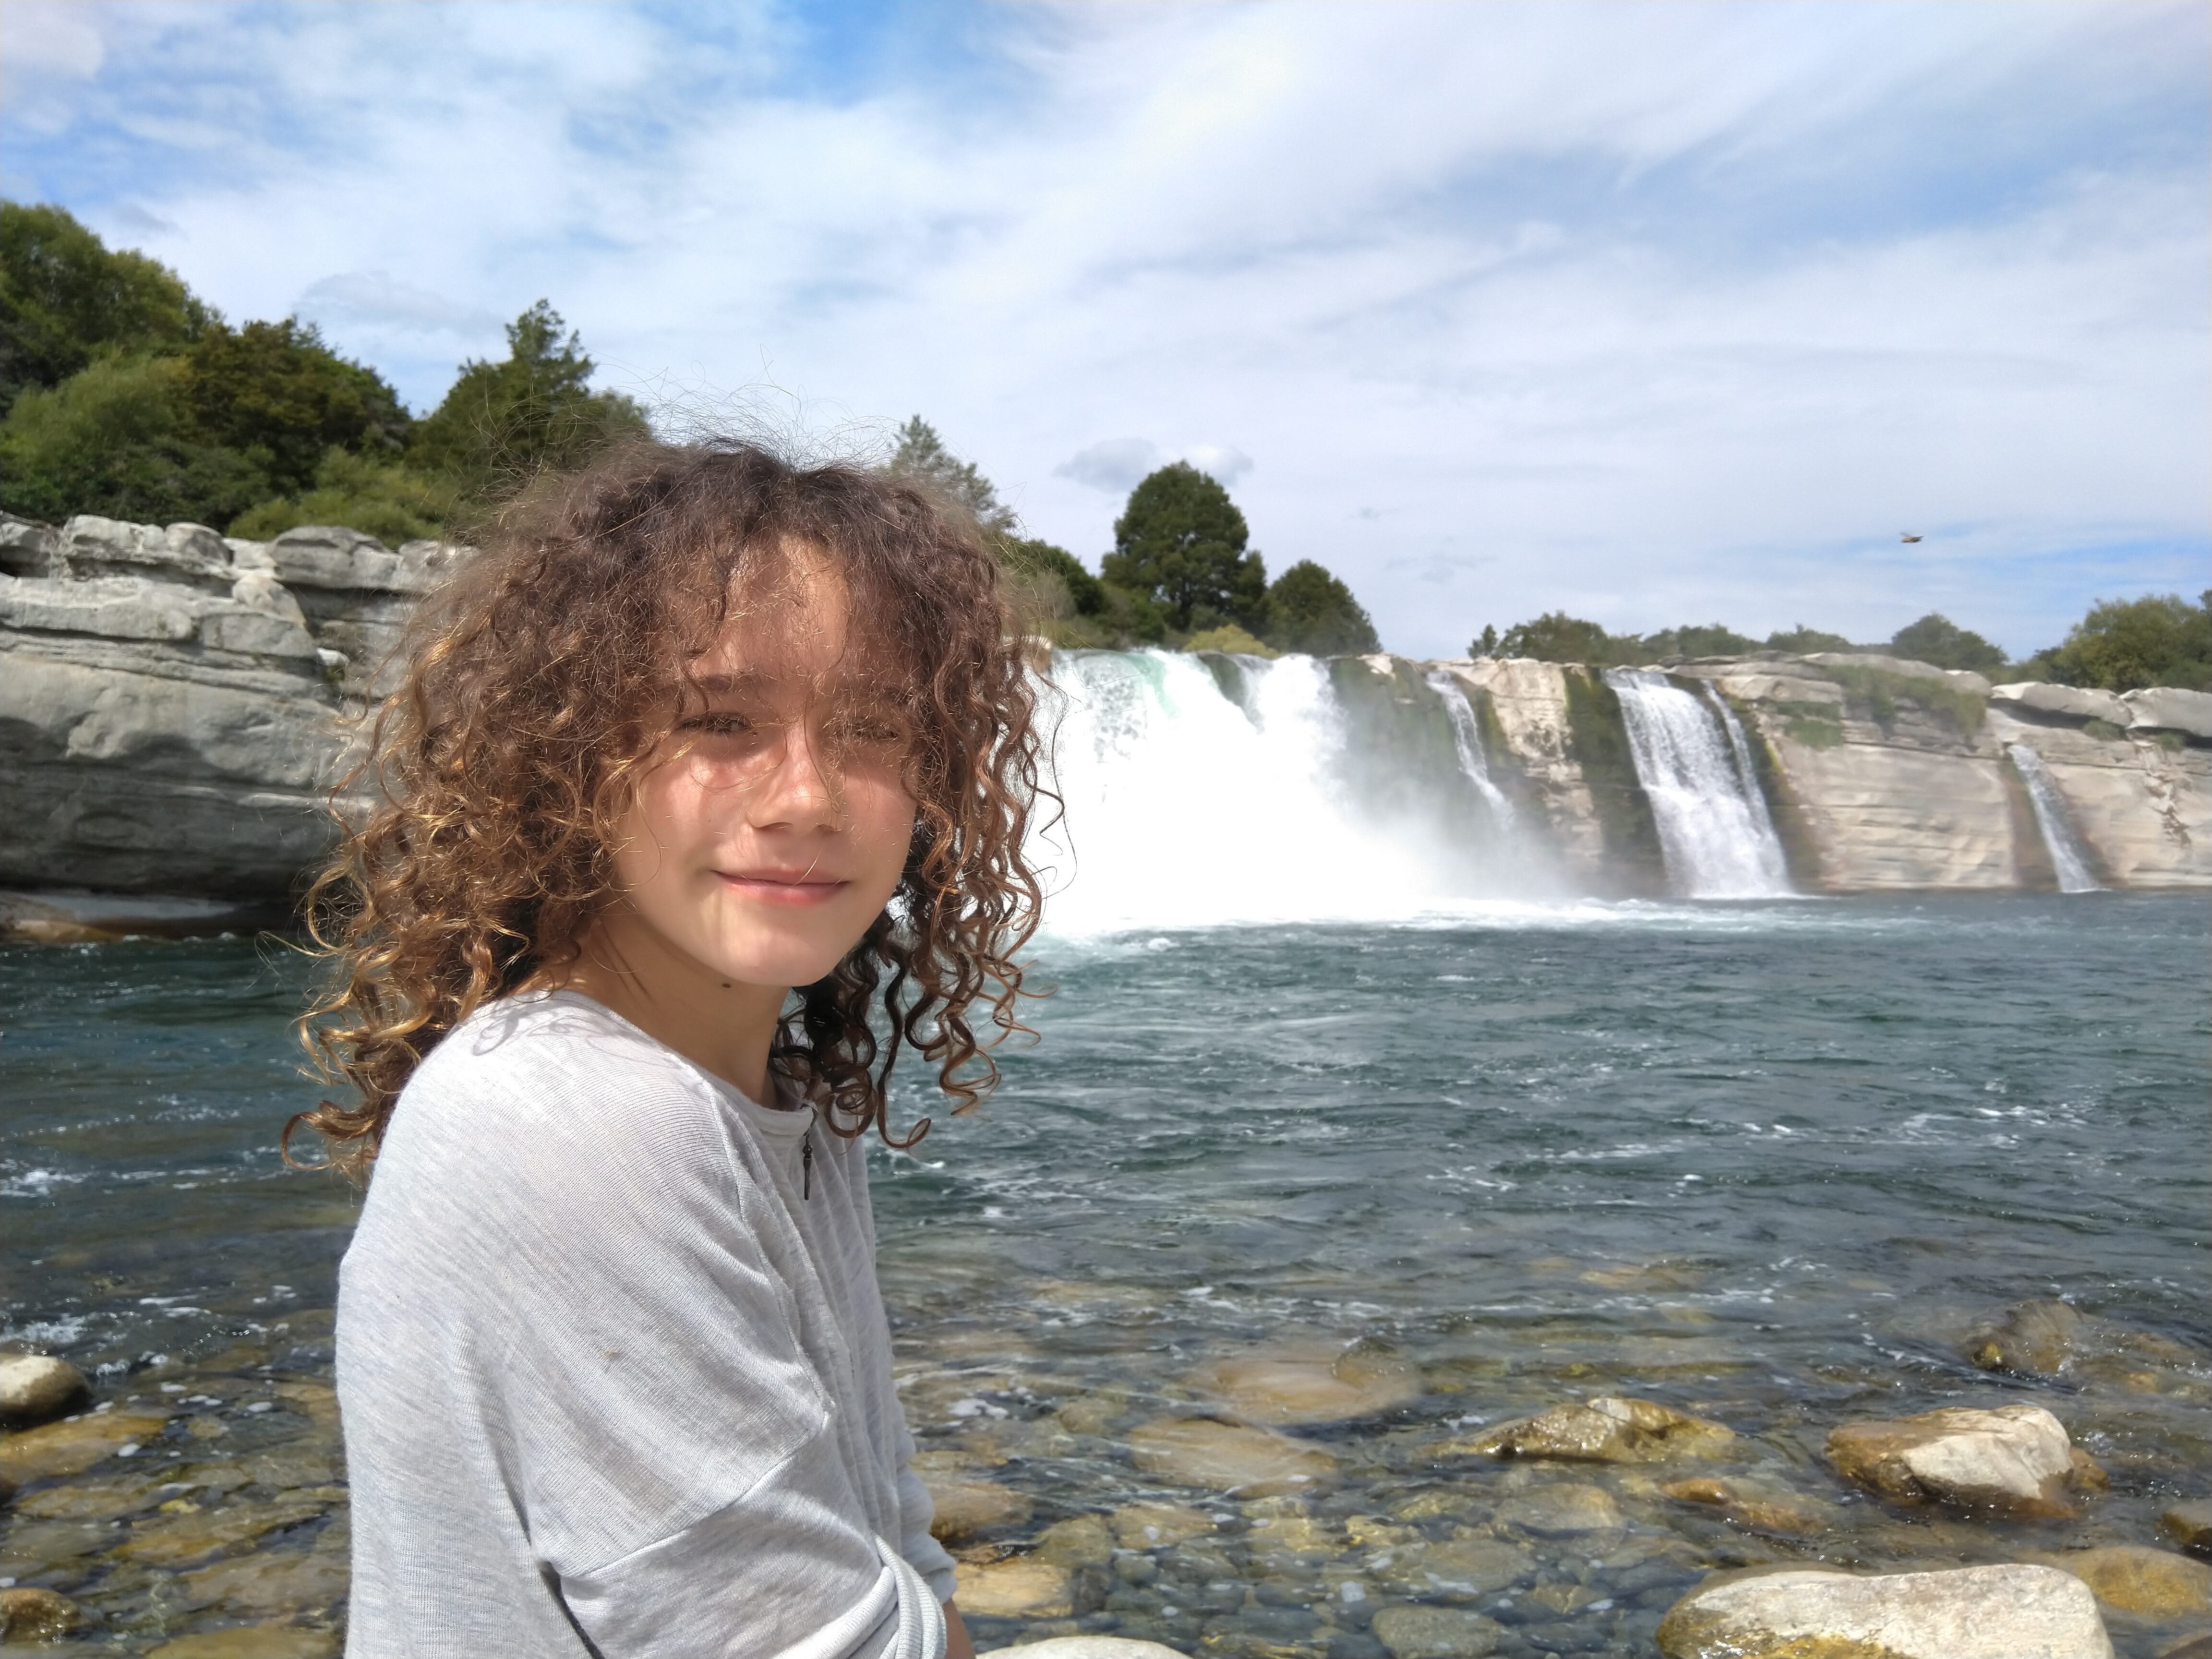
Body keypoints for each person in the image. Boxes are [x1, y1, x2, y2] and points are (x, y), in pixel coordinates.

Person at [295, 439, 1046, 1659]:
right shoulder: (576, 1120)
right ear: (570, 760)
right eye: (721, 720)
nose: (806, 794)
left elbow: (891, 1531)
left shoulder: (781, 1097)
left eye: (871, 727)